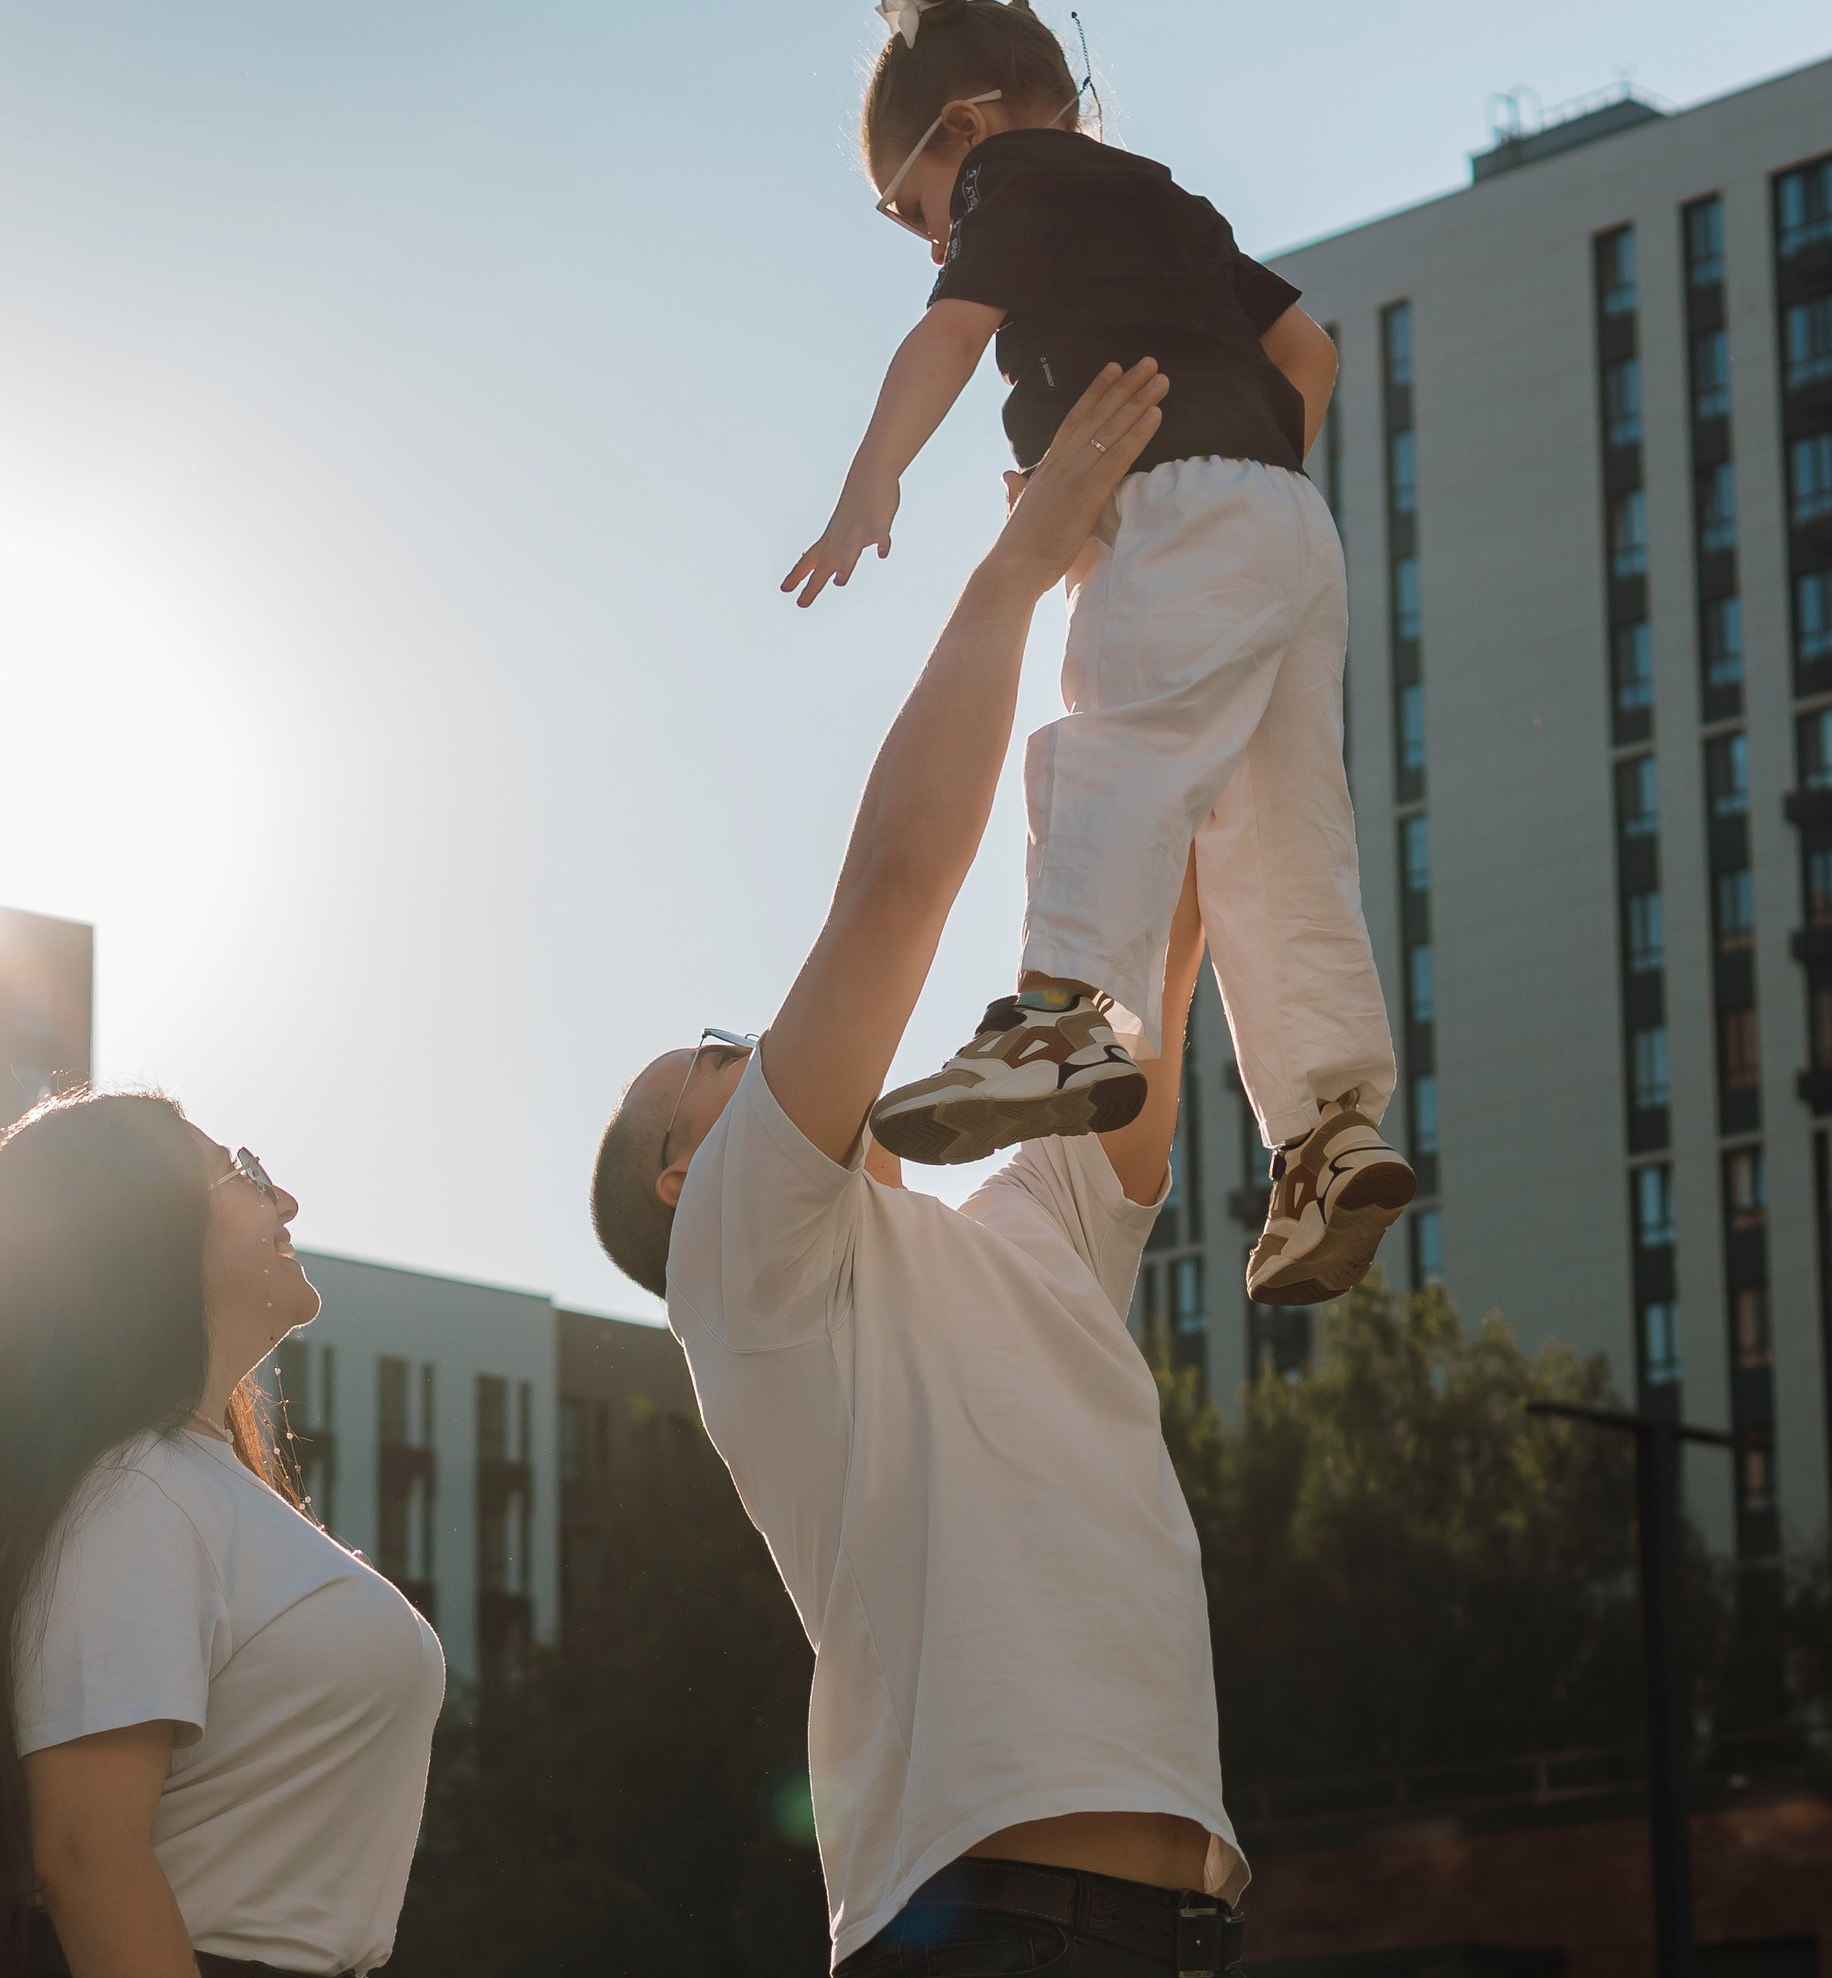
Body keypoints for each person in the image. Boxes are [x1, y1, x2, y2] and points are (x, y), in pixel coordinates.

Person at [595, 363, 1250, 1974]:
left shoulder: (1026, 1235)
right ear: (691, 1175)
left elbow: (1151, 963)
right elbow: (894, 887)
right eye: (715, 1058)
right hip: (982, 1928)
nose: (752, 1040)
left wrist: (1175, 625)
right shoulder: (742, 1269)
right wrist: (1012, 568)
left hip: (1179, 1929)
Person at [781, 0, 1407, 1303]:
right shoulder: (1167, 201)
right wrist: (1246, 466)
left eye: (913, 212)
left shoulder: (1013, 173)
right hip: (1295, 522)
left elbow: (951, 334)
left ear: (963, 128)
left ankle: (1065, 1014)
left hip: (1182, 507)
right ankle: (1329, 1132)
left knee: (1115, 749)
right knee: (1283, 841)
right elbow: (1310, 351)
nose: (934, 245)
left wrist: (870, 481)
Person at [0, 1091, 446, 1978]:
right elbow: (86, 1860)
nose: (287, 1204)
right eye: (248, 1174)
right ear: (142, 1235)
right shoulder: (135, 1495)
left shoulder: (190, 1488)